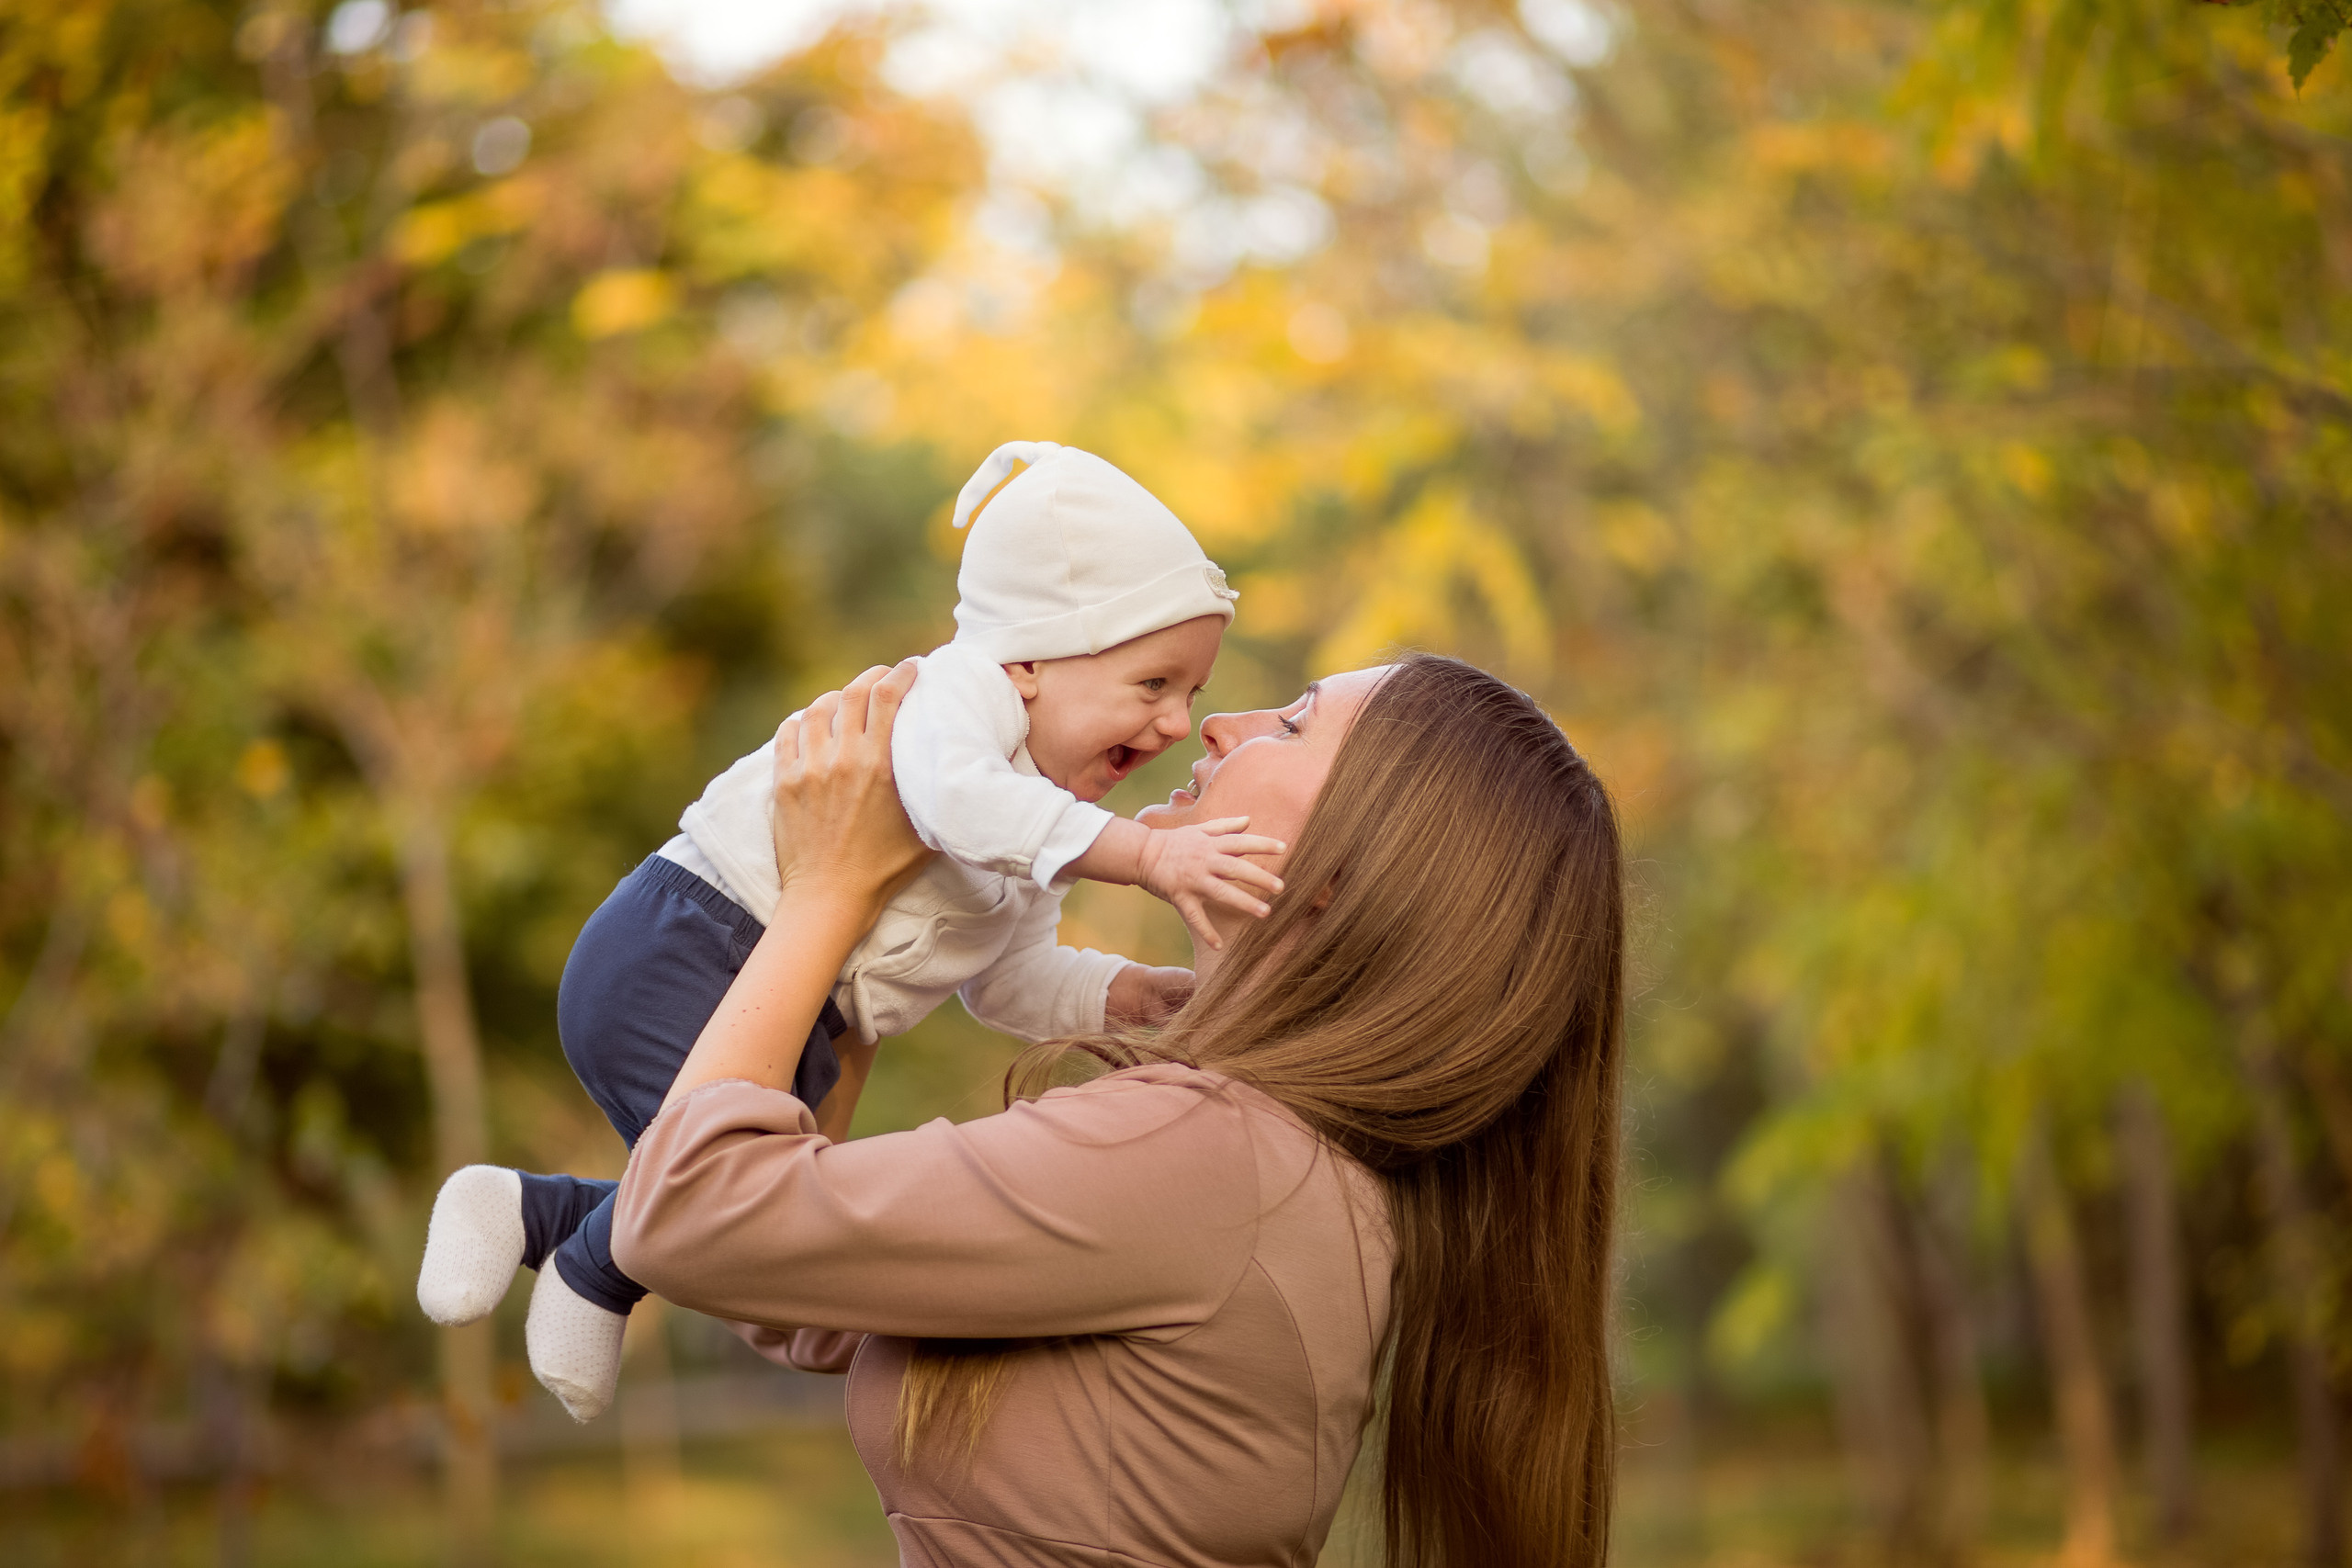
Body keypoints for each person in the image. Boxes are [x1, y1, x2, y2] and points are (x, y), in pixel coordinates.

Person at [615, 652, 1626, 1568]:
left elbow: (688, 1215)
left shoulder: (1210, 1154)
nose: (1221, 723)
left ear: (1345, 874)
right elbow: (795, 1287)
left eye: (1291, 726)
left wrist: (824, 888)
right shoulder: (1258, 1153)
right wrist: (878, 953)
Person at [414, 442, 1284, 1421]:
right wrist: (1150, 857)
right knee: (748, 1206)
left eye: (1189, 696)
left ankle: (532, 1212)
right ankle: (594, 1270)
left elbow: (1006, 978)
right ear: (1033, 658)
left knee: (775, 1214)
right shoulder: (962, 703)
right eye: (1153, 684)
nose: (1173, 723)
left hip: (773, 989)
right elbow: (955, 801)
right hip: (684, 946)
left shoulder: (1038, 810)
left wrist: (1128, 992)